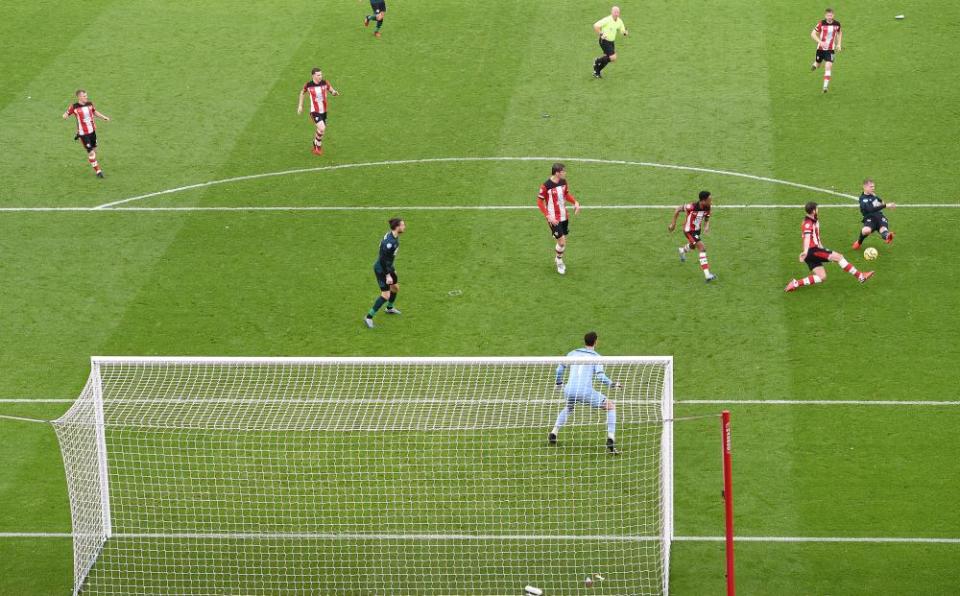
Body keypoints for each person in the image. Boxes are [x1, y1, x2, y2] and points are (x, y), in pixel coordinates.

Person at [549, 331, 622, 455]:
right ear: (596, 342)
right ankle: (611, 437)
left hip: (569, 390)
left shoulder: (572, 353)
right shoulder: (596, 357)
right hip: (584, 391)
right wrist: (612, 384)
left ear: (584, 342)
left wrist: (559, 383)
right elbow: (600, 377)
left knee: (569, 407)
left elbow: (559, 369)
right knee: (611, 406)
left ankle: (554, 432)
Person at [785, 202, 874, 292]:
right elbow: (807, 238)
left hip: (813, 251)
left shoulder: (814, 220)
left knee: (822, 277)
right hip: (812, 250)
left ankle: (795, 283)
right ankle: (860, 276)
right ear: (813, 211)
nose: (818, 210)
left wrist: (822, 249)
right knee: (839, 257)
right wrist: (805, 251)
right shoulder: (808, 223)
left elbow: (816, 237)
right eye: (817, 209)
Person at [536, 163, 581, 275]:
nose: (565, 173)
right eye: (563, 171)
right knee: (562, 242)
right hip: (553, 218)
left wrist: (575, 202)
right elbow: (539, 202)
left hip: (564, 216)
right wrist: (548, 216)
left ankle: (558, 257)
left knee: (561, 241)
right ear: (557, 173)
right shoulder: (546, 186)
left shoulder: (563, 182)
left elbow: (566, 195)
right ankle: (559, 261)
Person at [668, 191, 718, 282]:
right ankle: (707, 275)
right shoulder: (691, 207)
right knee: (702, 248)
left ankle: (682, 250)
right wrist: (673, 224)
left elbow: (707, 218)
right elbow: (677, 209)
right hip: (689, 231)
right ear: (703, 201)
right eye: (709, 200)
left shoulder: (708, 207)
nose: (711, 202)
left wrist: (706, 226)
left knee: (693, 245)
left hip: (697, 230)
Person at [365, 218, 405, 328]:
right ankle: (368, 317)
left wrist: (392, 268)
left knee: (395, 288)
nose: (404, 227)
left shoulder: (392, 236)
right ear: (397, 227)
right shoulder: (391, 243)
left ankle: (389, 308)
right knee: (386, 295)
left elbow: (385, 254)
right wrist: (387, 275)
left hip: (388, 266)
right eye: (402, 225)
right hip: (381, 268)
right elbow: (382, 259)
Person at [62, 90, 110, 178]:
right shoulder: (74, 107)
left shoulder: (89, 104)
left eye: (86, 95)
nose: (86, 97)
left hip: (92, 131)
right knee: (91, 153)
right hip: (84, 134)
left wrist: (104, 117)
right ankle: (98, 171)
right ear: (79, 97)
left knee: (95, 151)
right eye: (84, 96)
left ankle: (78, 134)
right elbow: (65, 115)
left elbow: (94, 112)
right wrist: (65, 115)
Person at [297, 68, 339, 156]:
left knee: (321, 130)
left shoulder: (325, 83)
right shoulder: (308, 85)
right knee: (322, 128)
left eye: (321, 74)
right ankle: (318, 147)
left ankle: (315, 142)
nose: (321, 76)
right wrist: (300, 106)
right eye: (318, 75)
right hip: (314, 111)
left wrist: (334, 92)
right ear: (313, 76)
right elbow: (302, 93)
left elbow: (331, 90)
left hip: (324, 112)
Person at [853, 178, 896, 249]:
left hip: (879, 217)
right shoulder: (863, 199)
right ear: (865, 187)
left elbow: (880, 201)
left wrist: (881, 201)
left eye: (873, 187)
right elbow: (871, 209)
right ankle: (859, 242)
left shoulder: (873, 195)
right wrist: (886, 205)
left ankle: (887, 236)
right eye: (871, 187)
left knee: (884, 230)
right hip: (869, 218)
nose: (873, 188)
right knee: (866, 230)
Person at [810, 8, 842, 93]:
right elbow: (812, 34)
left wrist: (839, 44)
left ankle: (825, 87)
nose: (829, 17)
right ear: (825, 16)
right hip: (820, 49)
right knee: (818, 64)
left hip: (830, 50)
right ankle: (815, 64)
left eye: (831, 15)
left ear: (833, 15)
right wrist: (820, 42)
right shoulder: (821, 23)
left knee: (828, 66)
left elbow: (839, 32)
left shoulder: (837, 24)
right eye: (828, 15)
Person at [593, 6, 628, 78]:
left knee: (608, 58)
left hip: (611, 42)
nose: (616, 14)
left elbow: (622, 30)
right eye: (615, 12)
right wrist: (601, 34)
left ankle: (597, 66)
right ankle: (597, 67)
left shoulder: (619, 21)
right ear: (611, 12)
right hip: (604, 41)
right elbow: (596, 26)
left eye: (618, 12)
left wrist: (625, 33)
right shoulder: (607, 19)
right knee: (613, 57)